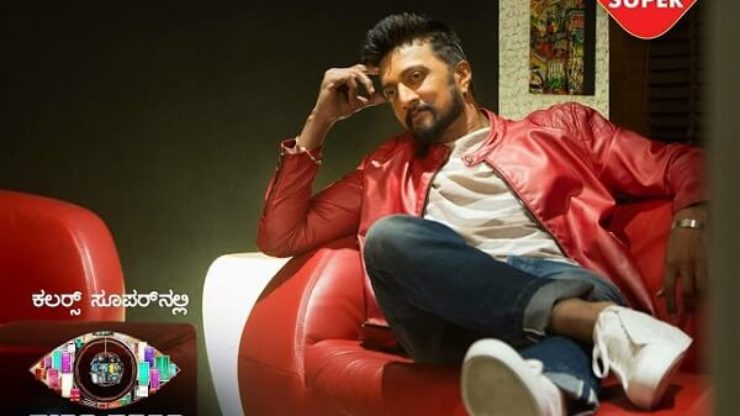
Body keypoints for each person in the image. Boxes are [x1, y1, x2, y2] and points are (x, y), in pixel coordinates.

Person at [257, 13, 707, 416]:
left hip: (560, 280)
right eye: (392, 91)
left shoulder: (561, 130)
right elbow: (282, 235)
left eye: (416, 77)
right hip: (452, 319)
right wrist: (321, 120)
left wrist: (693, 214)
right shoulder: (383, 167)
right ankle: (603, 324)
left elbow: (679, 161)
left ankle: (549, 390)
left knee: (543, 369)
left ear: (462, 75)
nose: (405, 98)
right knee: (389, 238)